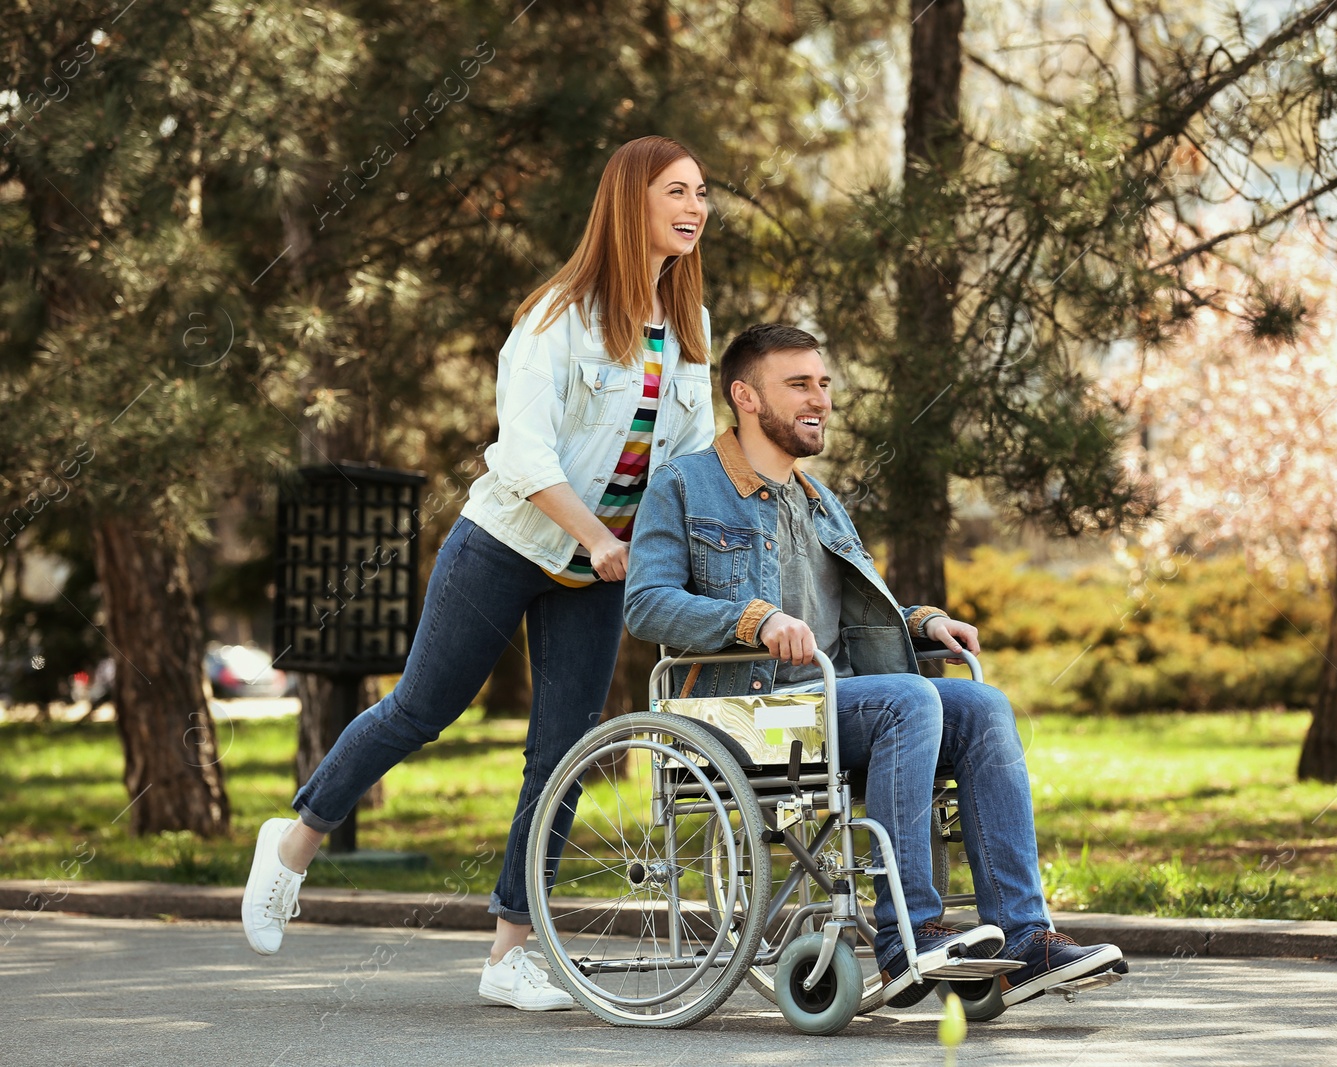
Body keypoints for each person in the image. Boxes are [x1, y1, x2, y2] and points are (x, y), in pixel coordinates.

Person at [240, 136, 718, 1013]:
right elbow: (524, 453)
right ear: (629, 203)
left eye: (701, 193)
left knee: (562, 754)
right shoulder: (557, 313)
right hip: (507, 541)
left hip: (601, 567)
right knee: (420, 709)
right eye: (677, 191)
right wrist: (597, 537)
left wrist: (660, 548)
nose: (696, 207)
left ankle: (509, 950)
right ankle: (293, 842)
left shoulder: (689, 327)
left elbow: (684, 461)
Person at [623, 322, 1125, 1009]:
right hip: (746, 713)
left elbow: (858, 611)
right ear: (745, 395)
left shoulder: (821, 500)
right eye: (798, 384)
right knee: (911, 700)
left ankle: (1026, 939)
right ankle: (909, 935)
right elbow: (647, 604)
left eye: (824, 384)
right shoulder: (684, 485)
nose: (820, 399)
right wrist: (753, 619)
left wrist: (922, 622)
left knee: (983, 705)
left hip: (832, 706)